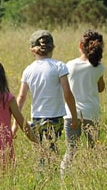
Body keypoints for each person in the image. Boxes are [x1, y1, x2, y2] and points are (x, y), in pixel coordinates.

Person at [14, 30, 78, 168]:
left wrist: (14, 125)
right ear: (52, 47)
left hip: (37, 118)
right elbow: (67, 93)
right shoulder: (59, 66)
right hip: (56, 117)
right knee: (52, 149)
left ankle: (42, 177)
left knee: (41, 151)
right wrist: (74, 116)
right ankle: (50, 177)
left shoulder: (28, 70)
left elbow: (21, 97)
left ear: (32, 50)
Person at [62, 29, 105, 174]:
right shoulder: (99, 67)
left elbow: (65, 90)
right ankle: (93, 177)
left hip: (71, 114)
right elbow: (101, 88)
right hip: (91, 113)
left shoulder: (70, 65)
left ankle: (64, 178)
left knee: (71, 151)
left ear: (81, 45)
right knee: (93, 150)